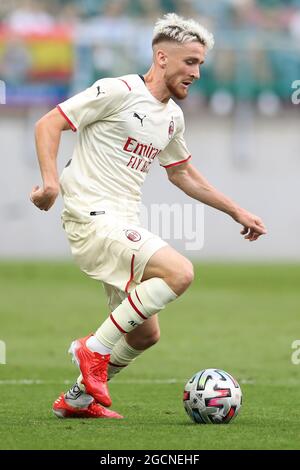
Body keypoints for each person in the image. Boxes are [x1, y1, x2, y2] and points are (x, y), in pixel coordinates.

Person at [30, 13, 267, 419]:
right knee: (179, 273)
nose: (196, 72)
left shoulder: (172, 117)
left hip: (123, 222)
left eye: (201, 64)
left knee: (144, 334)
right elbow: (49, 123)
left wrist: (236, 210)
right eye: (190, 62)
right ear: (161, 57)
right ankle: (93, 349)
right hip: (91, 215)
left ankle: (77, 400)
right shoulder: (117, 90)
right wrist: (51, 182)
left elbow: (182, 173)